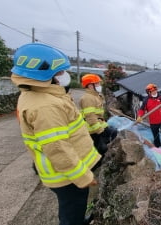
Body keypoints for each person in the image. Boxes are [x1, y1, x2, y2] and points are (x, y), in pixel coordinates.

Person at [11, 43, 101, 225]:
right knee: (71, 213)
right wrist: (83, 176)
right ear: (44, 74)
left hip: (65, 170)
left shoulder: (38, 95)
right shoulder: (46, 106)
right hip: (67, 175)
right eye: (60, 72)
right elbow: (58, 148)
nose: (64, 76)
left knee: (72, 208)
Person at [136, 83, 161, 150]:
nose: (155, 92)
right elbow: (141, 109)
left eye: (155, 90)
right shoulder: (146, 100)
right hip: (153, 121)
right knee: (155, 135)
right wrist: (139, 116)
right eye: (153, 91)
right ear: (149, 92)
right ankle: (158, 147)